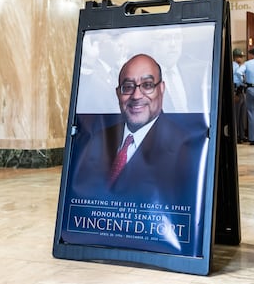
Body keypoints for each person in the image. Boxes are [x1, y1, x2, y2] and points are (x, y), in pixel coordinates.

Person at [66, 54, 206, 255]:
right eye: (128, 87)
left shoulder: (188, 148)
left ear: (162, 89)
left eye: (147, 85)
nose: (136, 96)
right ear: (118, 93)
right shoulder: (96, 139)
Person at [232, 48, 248, 143]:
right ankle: (237, 135)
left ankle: (241, 135)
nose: (241, 59)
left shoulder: (240, 66)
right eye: (240, 57)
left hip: (241, 91)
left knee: (242, 115)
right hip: (236, 91)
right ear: (235, 57)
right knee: (236, 116)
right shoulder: (234, 66)